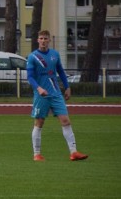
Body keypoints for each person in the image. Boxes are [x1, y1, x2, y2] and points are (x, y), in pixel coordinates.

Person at [27, 30, 88, 162]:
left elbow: (60, 71)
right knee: (39, 122)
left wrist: (67, 87)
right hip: (41, 95)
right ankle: (36, 154)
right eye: (41, 38)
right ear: (38, 40)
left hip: (56, 93)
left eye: (45, 38)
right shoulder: (33, 57)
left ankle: (74, 152)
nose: (43, 41)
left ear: (49, 40)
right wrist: (38, 88)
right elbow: (30, 77)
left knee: (66, 121)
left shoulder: (55, 54)